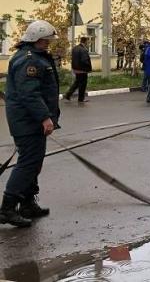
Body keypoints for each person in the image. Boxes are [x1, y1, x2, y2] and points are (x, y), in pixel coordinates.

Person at [1, 20, 60, 227]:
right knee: (28, 164)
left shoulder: (33, 56)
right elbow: (29, 94)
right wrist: (45, 117)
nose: (48, 44)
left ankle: (27, 203)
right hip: (28, 121)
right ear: (35, 39)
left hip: (29, 120)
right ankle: (7, 208)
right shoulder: (30, 61)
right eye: (45, 41)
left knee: (34, 163)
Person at [64, 36, 92, 104]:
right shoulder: (83, 50)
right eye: (88, 42)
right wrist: (88, 67)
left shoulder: (75, 48)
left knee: (77, 83)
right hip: (82, 70)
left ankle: (68, 95)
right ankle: (81, 99)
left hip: (76, 69)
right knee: (82, 85)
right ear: (85, 41)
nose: (88, 43)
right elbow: (84, 60)